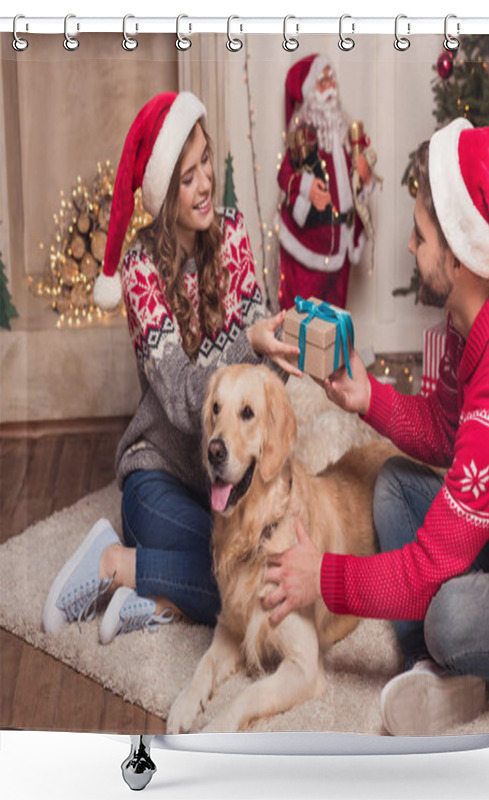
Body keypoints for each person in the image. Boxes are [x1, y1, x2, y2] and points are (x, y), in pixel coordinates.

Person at [262, 119, 489, 735]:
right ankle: (434, 673)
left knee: (445, 614)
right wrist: (366, 396)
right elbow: (448, 432)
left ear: (458, 258)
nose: (409, 248)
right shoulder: (476, 308)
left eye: (421, 236)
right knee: (394, 483)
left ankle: (438, 658)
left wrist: (318, 575)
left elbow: (428, 568)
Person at [42, 92, 301, 644]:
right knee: (241, 578)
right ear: (164, 193)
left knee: (267, 572)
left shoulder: (231, 235)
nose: (206, 182)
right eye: (187, 176)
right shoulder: (139, 270)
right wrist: (247, 344)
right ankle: (113, 558)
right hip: (159, 479)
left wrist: (278, 349)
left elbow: (259, 381)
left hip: (224, 484)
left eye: (206, 160)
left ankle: (157, 595)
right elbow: (188, 402)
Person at [276, 53, 374, 310]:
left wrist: (365, 177)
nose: (331, 88)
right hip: (309, 245)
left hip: (342, 243)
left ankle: (336, 352)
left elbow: (356, 183)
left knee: (336, 316)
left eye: (333, 81)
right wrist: (307, 188)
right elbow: (284, 175)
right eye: (323, 82)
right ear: (311, 93)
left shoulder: (344, 134)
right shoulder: (303, 138)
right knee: (303, 319)